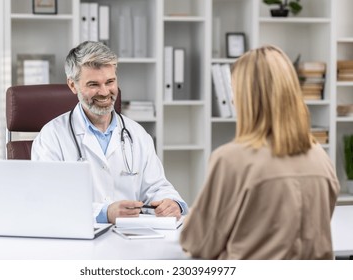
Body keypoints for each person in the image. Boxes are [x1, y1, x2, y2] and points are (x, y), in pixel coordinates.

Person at [180, 45, 340, 259]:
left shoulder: (232, 159)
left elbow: (198, 242)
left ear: (246, 97)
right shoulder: (320, 157)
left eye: (234, 90)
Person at [31, 41, 188, 224]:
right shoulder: (52, 137)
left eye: (110, 82)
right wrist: (105, 213)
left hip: (131, 240)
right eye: (93, 84)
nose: (105, 92)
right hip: (78, 241)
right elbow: (48, 199)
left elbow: (156, 186)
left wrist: (172, 203)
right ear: (73, 86)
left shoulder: (137, 134)